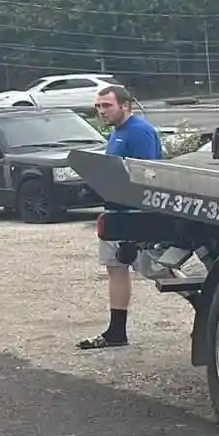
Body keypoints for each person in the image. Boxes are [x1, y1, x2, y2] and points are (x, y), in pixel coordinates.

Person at [79, 84, 163, 350]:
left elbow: (148, 175)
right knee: (115, 268)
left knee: (160, 270)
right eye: (98, 106)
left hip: (135, 216)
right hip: (116, 212)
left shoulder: (140, 132)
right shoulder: (118, 133)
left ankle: (207, 311)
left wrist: (139, 225)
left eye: (107, 105)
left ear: (125, 106)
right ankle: (116, 332)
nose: (101, 111)